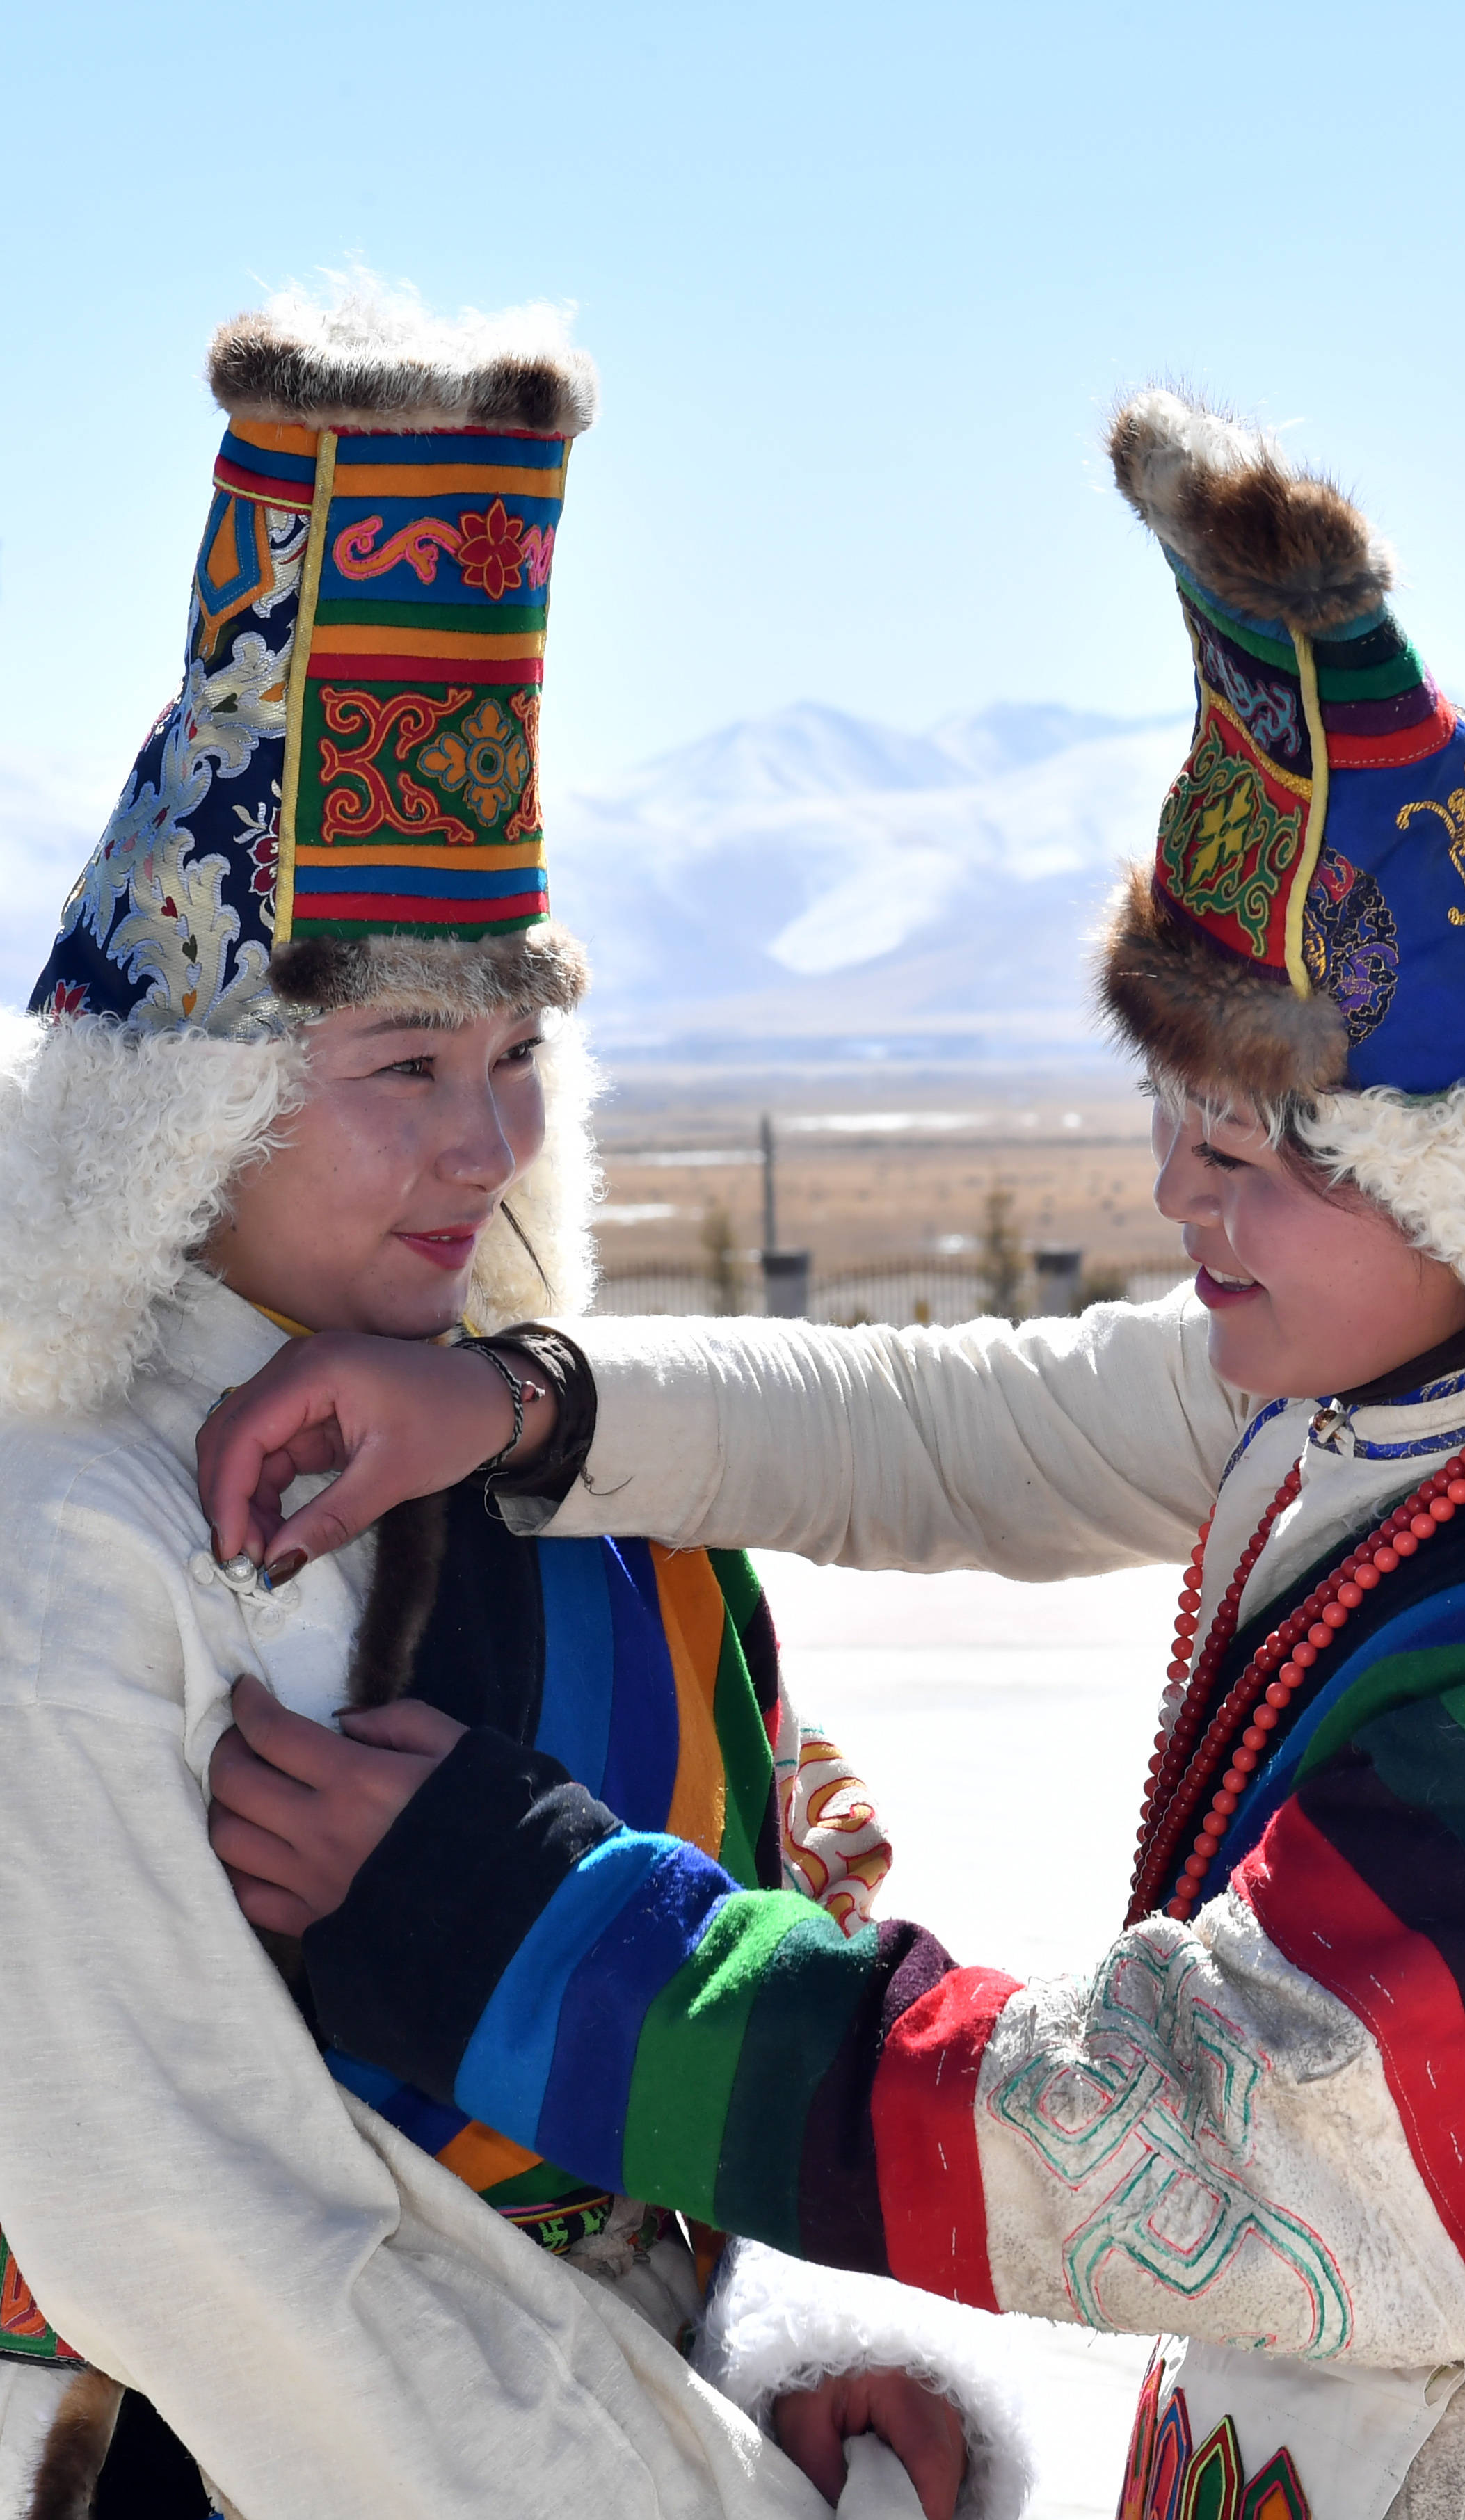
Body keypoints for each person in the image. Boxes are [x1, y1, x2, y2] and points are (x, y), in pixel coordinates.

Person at [199, 391, 1465, 2520]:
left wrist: (515, 1919)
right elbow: (949, 1428)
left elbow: (1157, 2141)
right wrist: (521, 1406)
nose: (1183, 1205)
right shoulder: (1397, 1407)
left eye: (1257, 1157)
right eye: (1165, 1130)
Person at [0, 289, 1027, 2520]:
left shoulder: (552, 1469)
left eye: (512, 1062)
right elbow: (192, 2232)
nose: (488, 1146)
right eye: (402, 1071)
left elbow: (672, 2080)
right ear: (184, 1110)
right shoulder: (75, 1539)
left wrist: (794, 2363)